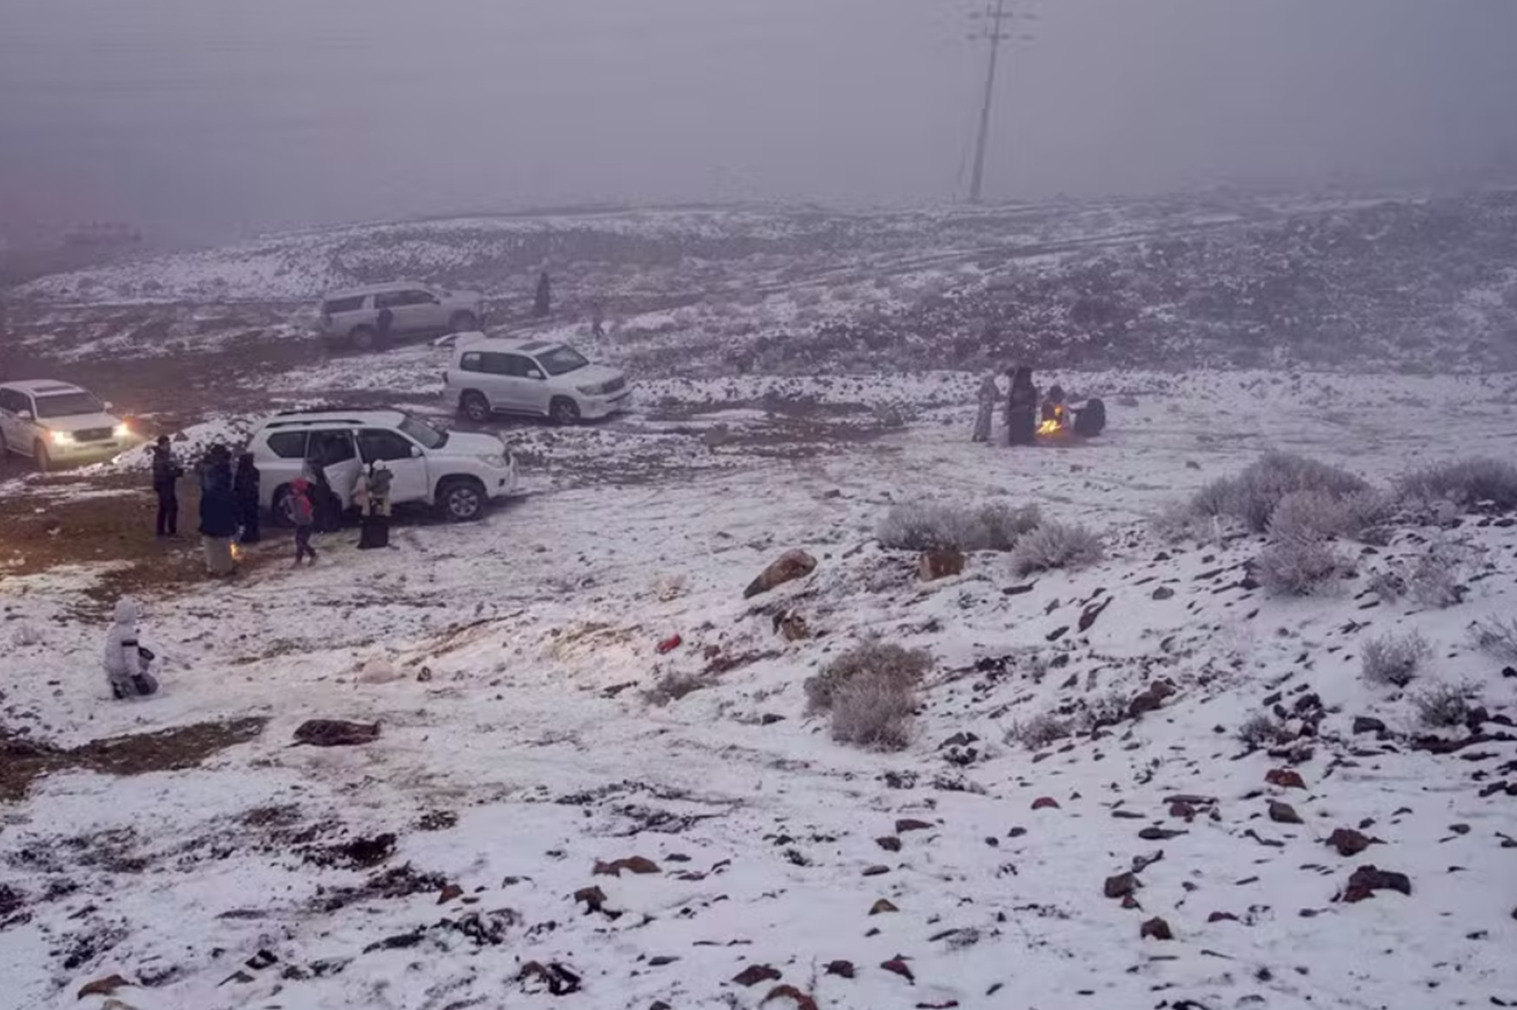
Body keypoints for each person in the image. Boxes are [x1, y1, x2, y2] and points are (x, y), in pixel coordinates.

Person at [102, 597, 159, 700]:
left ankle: (117, 680)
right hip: (123, 670)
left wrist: (139, 649)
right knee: (153, 686)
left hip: (112, 670)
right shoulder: (129, 633)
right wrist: (138, 678)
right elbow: (130, 659)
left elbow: (117, 650)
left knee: (143, 661)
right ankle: (126, 686)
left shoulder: (114, 630)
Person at [198, 446, 238, 575]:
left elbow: (202, 509)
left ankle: (212, 567)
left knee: (211, 546)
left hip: (209, 522)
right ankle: (226, 567)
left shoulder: (208, 493)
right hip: (224, 524)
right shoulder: (228, 493)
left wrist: (204, 520)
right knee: (223, 545)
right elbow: (233, 509)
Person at [149, 436, 183, 537]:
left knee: (164, 508)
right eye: (167, 444)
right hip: (164, 485)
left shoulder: (163, 455)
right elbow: (163, 472)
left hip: (165, 484)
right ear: (162, 445)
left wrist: (176, 470)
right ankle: (171, 531)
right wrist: (176, 472)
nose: (169, 446)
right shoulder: (160, 457)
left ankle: (161, 530)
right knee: (171, 507)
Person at [358, 461, 393, 550]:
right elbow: (391, 476)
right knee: (384, 516)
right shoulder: (387, 473)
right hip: (385, 496)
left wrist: (365, 476)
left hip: (376, 497)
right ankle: (383, 538)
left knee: (375, 517)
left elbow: (371, 485)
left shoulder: (377, 475)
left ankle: (373, 539)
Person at [286, 477, 318, 566]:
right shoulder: (294, 498)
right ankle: (299, 559)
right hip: (300, 523)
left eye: (295, 488)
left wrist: (293, 517)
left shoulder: (302, 500)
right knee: (299, 541)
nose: (293, 490)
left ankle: (313, 555)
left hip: (306, 524)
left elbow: (304, 514)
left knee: (302, 542)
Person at [1006, 366, 1039, 446]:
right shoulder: (1016, 386)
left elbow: (1033, 398)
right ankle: (1017, 440)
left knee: (1027, 424)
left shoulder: (1029, 386)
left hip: (1027, 410)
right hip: (1017, 411)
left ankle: (1026, 439)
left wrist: (1031, 407)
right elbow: (1012, 399)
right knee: (1017, 424)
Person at [233, 452, 261, 545]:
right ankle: (253, 534)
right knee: (252, 517)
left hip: (244, 497)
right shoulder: (255, 471)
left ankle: (248, 535)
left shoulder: (241, 472)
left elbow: (237, 486)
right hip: (252, 497)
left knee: (245, 517)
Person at [970, 372, 1000, 443]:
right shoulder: (993, 386)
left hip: (983, 405)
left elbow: (979, 395)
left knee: (980, 420)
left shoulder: (984, 386)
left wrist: (982, 400)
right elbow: (997, 395)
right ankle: (983, 436)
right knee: (986, 420)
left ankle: (976, 434)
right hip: (988, 405)